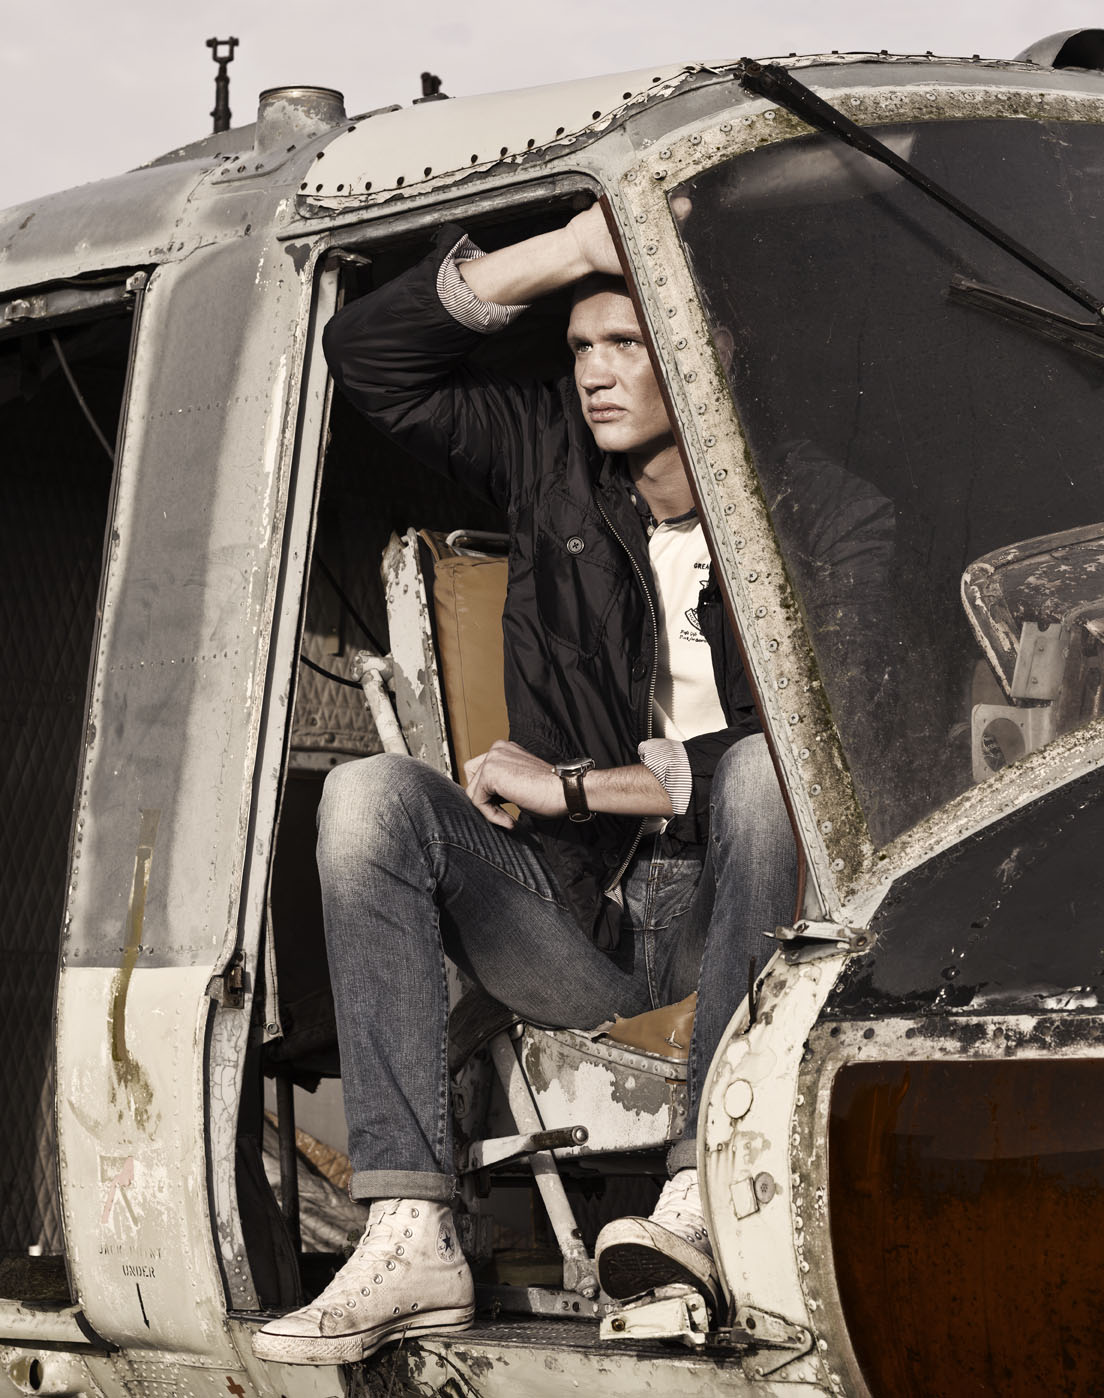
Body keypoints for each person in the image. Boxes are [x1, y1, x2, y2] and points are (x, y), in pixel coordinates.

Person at [253, 204, 798, 1366]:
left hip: (740, 911)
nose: (594, 373)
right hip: (577, 921)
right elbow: (367, 358)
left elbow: (814, 749)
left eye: (626, 344)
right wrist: (582, 250)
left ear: (708, 348)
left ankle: (701, 1196)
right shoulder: (550, 458)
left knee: (766, 774)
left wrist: (579, 785)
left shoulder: (809, 508)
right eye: (581, 346)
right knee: (370, 799)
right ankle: (411, 1230)